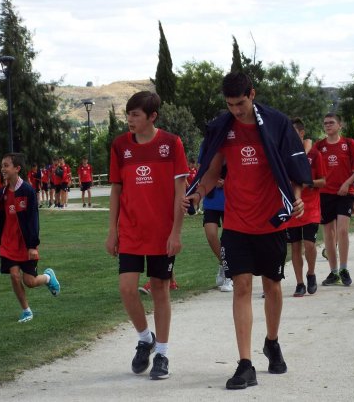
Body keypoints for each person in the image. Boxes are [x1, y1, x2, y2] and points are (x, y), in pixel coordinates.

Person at [184, 72, 310, 390]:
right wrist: (198, 194)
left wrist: (295, 199)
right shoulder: (223, 128)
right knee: (241, 287)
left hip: (270, 222)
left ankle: (272, 341)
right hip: (237, 223)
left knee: (273, 287)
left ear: (252, 94)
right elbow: (212, 172)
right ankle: (245, 364)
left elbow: (292, 170)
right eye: (230, 104)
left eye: (240, 103)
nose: (236, 110)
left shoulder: (277, 124)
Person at [105, 91, 188, 380]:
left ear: (152, 117)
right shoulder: (119, 146)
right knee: (127, 288)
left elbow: (181, 191)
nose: (130, 119)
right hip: (130, 231)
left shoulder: (171, 143)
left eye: (135, 114)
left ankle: (162, 354)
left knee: (159, 289)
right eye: (128, 114)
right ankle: (144, 339)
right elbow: (116, 189)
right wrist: (112, 231)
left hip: (161, 232)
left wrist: (176, 232)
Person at [0, 152, 60, 323]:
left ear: (17, 168)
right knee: (14, 275)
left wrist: (32, 246)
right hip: (8, 243)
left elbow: (33, 220)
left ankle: (48, 278)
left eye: (6, 166)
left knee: (29, 281)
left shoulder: (28, 191)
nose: (2, 169)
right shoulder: (2, 192)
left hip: (25, 244)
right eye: (2, 166)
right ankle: (26, 311)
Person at [315, 113, 354, 286]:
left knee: (342, 230)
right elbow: (309, 162)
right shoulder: (319, 146)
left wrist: (347, 183)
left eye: (331, 122)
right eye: (325, 123)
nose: (328, 125)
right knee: (328, 233)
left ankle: (344, 268)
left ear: (339, 125)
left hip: (345, 192)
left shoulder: (348, 143)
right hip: (325, 194)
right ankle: (333, 271)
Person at [286, 118, 326, 297]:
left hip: (310, 207)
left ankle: (311, 273)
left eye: (293, 132)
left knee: (309, 244)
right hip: (293, 206)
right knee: (295, 246)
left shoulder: (315, 155)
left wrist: (307, 182)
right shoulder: (284, 154)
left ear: (301, 134)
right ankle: (299, 283)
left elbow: (323, 182)